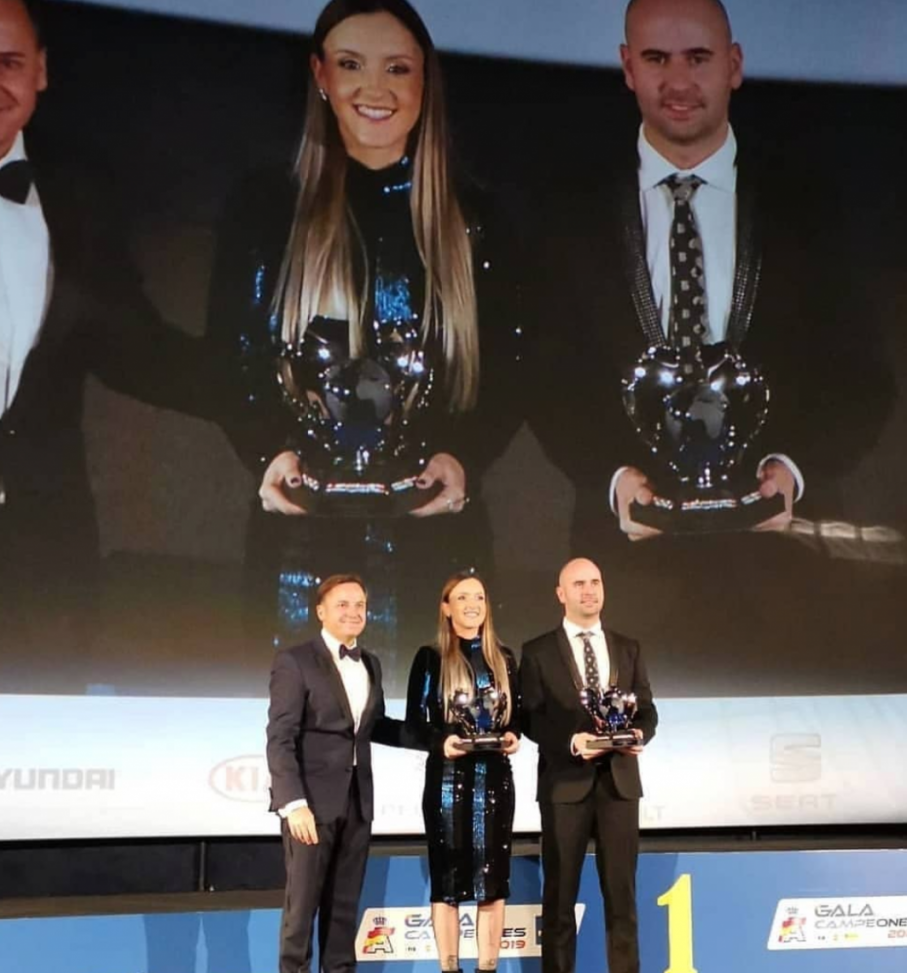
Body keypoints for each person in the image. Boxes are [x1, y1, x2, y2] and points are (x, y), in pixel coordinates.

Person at [521, 0, 897, 697]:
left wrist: (793, 472)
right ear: (626, 67)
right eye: (656, 59)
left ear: (734, 65)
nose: (678, 80)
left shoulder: (806, 203)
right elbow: (548, 382)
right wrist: (613, 478)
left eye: (697, 58)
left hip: (785, 574)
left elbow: (861, 378)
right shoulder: (569, 208)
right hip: (624, 573)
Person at [207, 0, 522, 671]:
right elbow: (230, 360)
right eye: (351, 64)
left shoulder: (475, 217)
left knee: (434, 719)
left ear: (424, 81)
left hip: (437, 541)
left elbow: (513, 366)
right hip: (299, 551)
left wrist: (464, 458)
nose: (373, 89)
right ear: (320, 74)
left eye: (397, 68)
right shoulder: (267, 208)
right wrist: (265, 453)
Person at [0, 0, 220, 674]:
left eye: (9, 62)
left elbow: (137, 352)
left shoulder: (79, 198)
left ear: (41, 71)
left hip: (41, 560)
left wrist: (266, 386)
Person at [266, 573, 417, 973]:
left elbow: (376, 726)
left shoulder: (370, 663)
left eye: (360, 605)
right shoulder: (295, 661)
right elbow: (280, 738)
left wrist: (438, 738)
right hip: (309, 806)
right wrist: (293, 803)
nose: (353, 612)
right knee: (302, 907)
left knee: (345, 905)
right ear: (321, 611)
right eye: (343, 604)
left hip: (357, 802)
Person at [520, 558, 658, 973]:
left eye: (595, 582)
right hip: (565, 784)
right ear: (561, 594)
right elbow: (530, 717)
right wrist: (570, 740)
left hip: (619, 784)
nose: (588, 590)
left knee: (622, 893)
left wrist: (639, 734)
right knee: (559, 894)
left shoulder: (627, 647)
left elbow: (647, 709)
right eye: (578, 584)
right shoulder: (537, 651)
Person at [405, 572, 520, 973]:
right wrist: (442, 742)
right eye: (462, 597)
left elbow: (517, 716)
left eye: (479, 597)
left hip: (495, 782)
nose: (472, 604)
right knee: (448, 886)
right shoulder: (430, 658)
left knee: (492, 886)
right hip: (447, 784)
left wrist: (512, 735)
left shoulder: (504, 658)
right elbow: (414, 724)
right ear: (446, 607)